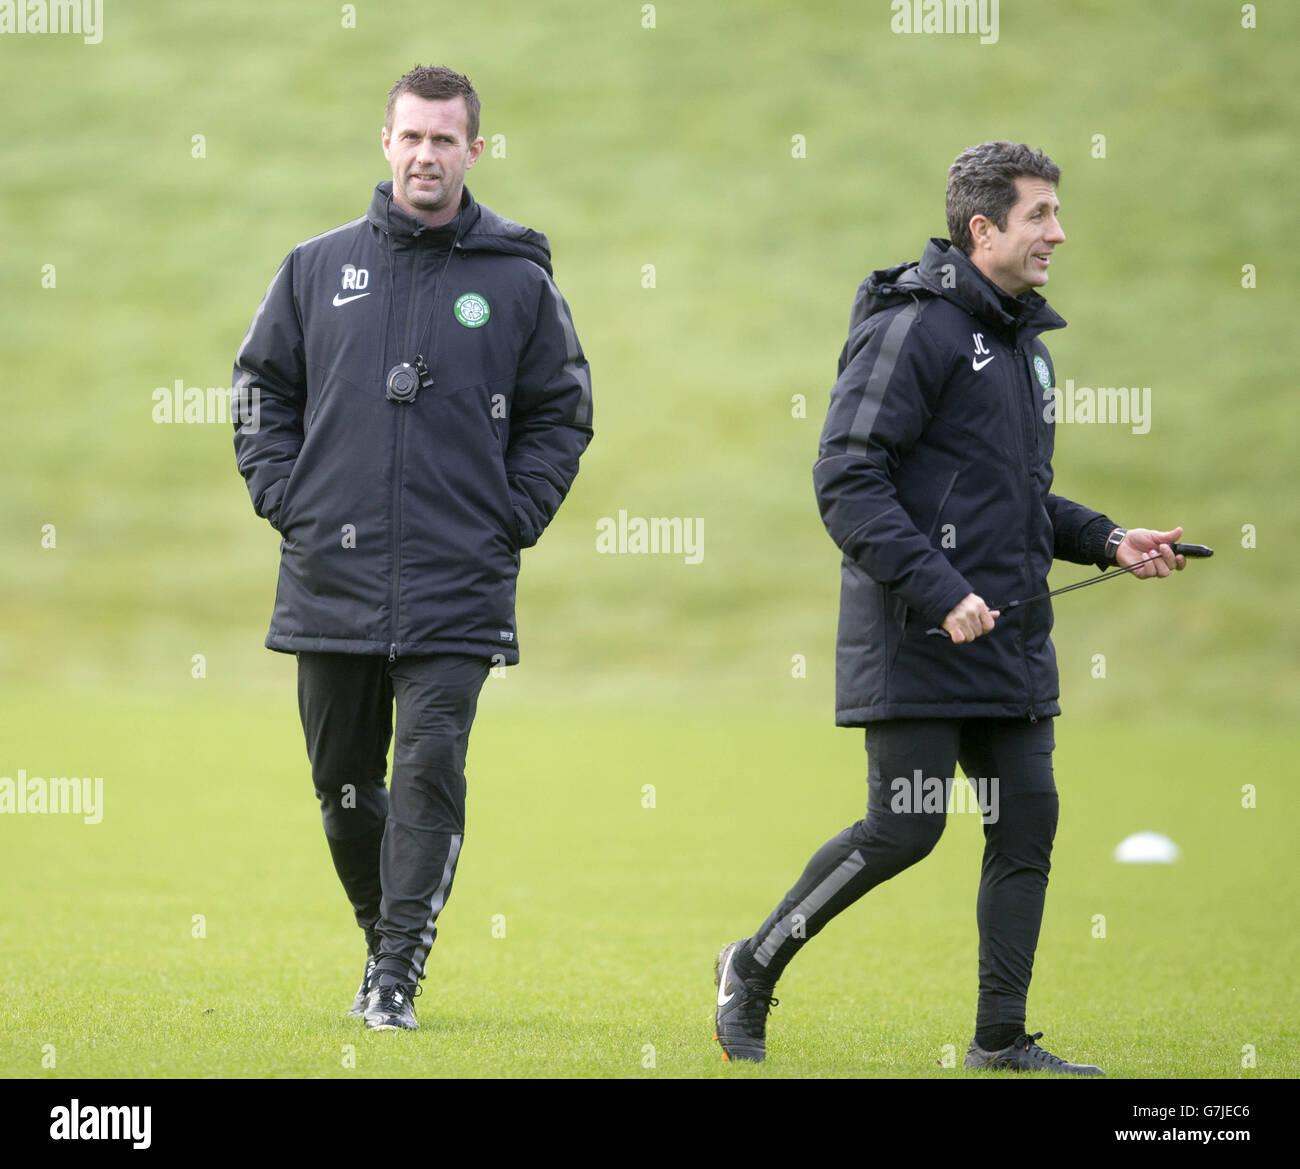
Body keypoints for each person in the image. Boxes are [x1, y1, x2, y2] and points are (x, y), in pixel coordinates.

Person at [713, 140, 1184, 1072]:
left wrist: (1109, 538)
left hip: (1008, 637)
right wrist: (940, 588)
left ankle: (1000, 1039)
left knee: (1028, 822)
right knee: (905, 828)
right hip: (919, 630)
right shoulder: (914, 328)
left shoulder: (1023, 348)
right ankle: (752, 963)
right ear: (984, 229)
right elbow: (847, 479)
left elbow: (1014, 499)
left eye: (1055, 212)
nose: (1059, 231)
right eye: (1040, 214)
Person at [231, 65, 592, 1032]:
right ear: (384, 143)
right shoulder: (316, 267)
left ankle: (396, 972)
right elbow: (261, 389)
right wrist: (287, 498)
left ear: (476, 150)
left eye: (446, 139)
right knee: (344, 791)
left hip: (455, 583)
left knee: (431, 768)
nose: (427, 154)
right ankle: (380, 941)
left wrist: (513, 513)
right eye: (412, 137)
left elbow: (563, 411)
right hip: (331, 576)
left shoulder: (518, 279)